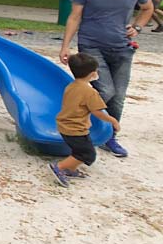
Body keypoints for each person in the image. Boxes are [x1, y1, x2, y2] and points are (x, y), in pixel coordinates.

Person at [59, 0, 152, 158]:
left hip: (122, 47)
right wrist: (65, 46)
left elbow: (148, 8)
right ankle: (75, 128)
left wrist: (137, 27)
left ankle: (109, 137)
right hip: (91, 45)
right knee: (106, 90)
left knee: (118, 97)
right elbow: (74, 17)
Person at [48, 53, 119, 187]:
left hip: (64, 125)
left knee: (78, 151)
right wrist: (113, 121)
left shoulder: (71, 86)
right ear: (92, 74)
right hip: (75, 129)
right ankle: (60, 167)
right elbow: (97, 112)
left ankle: (71, 169)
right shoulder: (89, 92)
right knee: (87, 154)